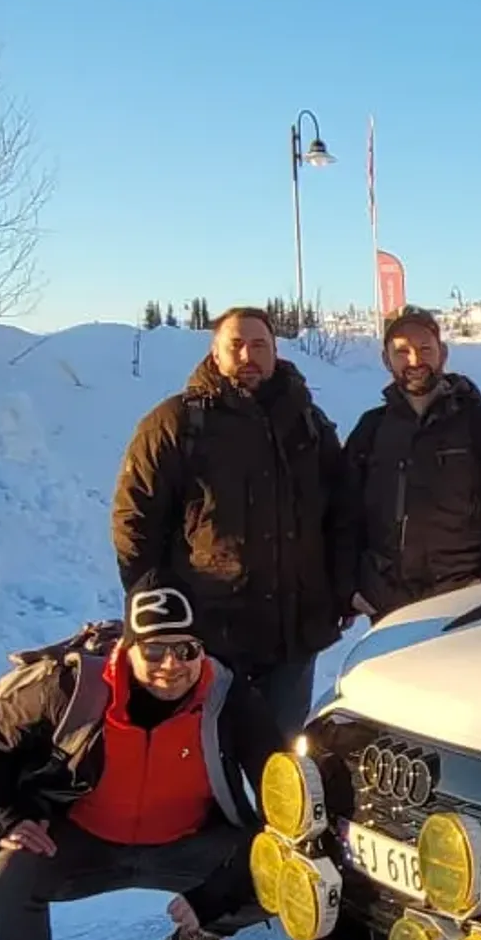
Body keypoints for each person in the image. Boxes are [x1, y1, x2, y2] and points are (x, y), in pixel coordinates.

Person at [0, 585, 283, 940]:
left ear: (202, 650)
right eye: (155, 650)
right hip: (82, 842)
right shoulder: (71, 689)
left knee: (283, 879)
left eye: (186, 649)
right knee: (3, 883)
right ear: (128, 649)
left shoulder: (230, 698)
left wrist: (215, 899)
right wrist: (3, 816)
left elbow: (282, 799)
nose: (172, 665)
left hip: (189, 844)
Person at [112, 306, 350, 742]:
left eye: (259, 345)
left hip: (291, 642)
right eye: (235, 345)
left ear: (276, 352)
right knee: (201, 765)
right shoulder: (175, 423)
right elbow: (135, 523)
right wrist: (158, 616)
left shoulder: (308, 423)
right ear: (214, 353)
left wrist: (339, 593)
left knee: (277, 769)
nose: (247, 356)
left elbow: (340, 516)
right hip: (206, 641)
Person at [344, 306, 481, 618]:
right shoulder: (371, 430)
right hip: (391, 610)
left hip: (466, 609)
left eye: (425, 349)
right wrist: (352, 587)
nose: (414, 361)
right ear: (386, 359)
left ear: (442, 353)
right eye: (402, 351)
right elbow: (341, 517)